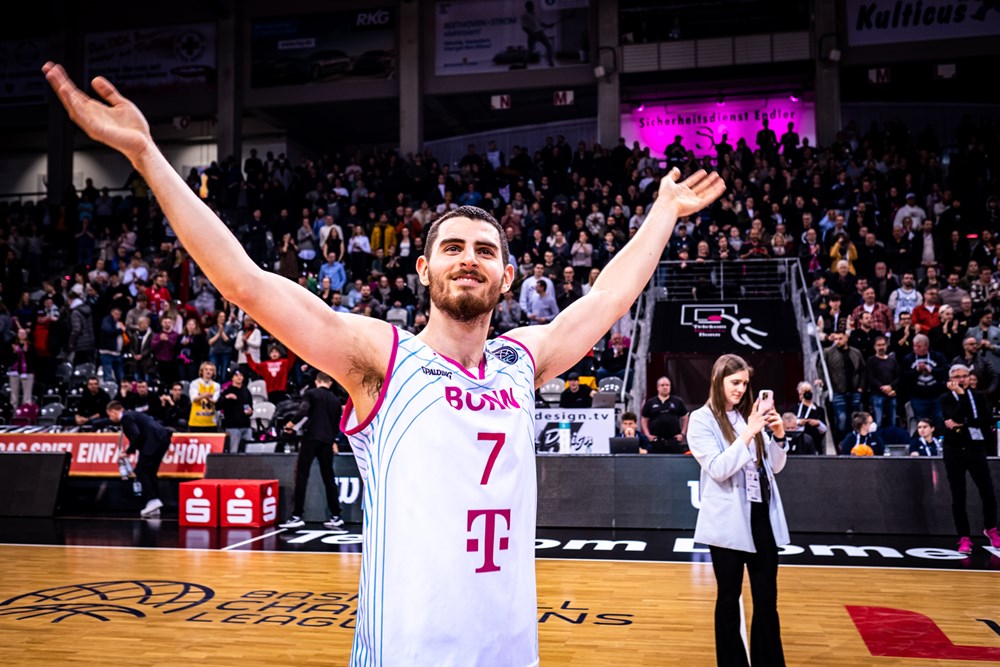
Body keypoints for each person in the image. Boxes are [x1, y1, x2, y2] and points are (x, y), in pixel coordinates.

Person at [43, 61, 725, 665]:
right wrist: (147, 155)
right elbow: (245, 282)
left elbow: (606, 297)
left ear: (507, 277)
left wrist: (664, 211)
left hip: (511, 650)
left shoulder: (523, 359)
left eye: (485, 251)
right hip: (404, 652)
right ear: (423, 270)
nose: (468, 259)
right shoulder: (383, 357)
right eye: (452, 247)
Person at [687, 354, 789, 667]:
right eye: (735, 382)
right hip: (727, 522)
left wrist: (779, 435)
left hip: (761, 516)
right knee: (729, 599)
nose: (741, 389)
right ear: (718, 380)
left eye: (745, 383)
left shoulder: (748, 416)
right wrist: (749, 433)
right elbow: (718, 469)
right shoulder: (701, 420)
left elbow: (773, 466)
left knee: (767, 600)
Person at [939, 364, 1000, 554]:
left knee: (987, 491)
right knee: (959, 495)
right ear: (950, 379)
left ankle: (991, 528)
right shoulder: (946, 398)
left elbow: (985, 420)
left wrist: (963, 424)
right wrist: (962, 399)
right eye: (957, 376)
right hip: (954, 449)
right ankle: (964, 537)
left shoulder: (979, 396)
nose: (962, 379)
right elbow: (953, 418)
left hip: (976, 447)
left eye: (965, 376)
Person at [278, 372, 345, 530]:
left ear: (317, 381)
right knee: (329, 478)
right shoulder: (336, 400)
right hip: (327, 441)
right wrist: (333, 440)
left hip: (311, 438)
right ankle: (336, 516)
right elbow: (337, 424)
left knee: (301, 476)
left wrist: (290, 424)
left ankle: (297, 516)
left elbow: (303, 411)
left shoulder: (311, 394)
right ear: (330, 383)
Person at [108, 400, 174, 518]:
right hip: (162, 439)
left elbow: (136, 434)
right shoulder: (132, 414)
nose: (110, 418)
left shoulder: (126, 418)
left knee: (140, 470)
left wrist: (127, 452)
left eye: (109, 415)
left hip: (153, 442)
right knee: (150, 471)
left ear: (113, 411)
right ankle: (154, 504)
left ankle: (153, 500)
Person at [641, 376, 688, 444]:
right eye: (662, 385)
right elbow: (644, 419)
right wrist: (647, 435)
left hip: (674, 440)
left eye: (667, 385)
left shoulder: (678, 401)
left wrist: (682, 434)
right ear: (658, 387)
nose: (665, 387)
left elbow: (685, 417)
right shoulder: (650, 403)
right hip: (656, 441)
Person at [218, 368, 254, 453]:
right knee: (233, 451)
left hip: (246, 426)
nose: (239, 377)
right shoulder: (227, 391)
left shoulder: (246, 391)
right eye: (236, 375)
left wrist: (250, 411)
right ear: (232, 378)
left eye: (241, 375)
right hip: (232, 427)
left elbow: (250, 407)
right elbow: (218, 406)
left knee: (249, 452)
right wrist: (226, 397)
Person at [188, 361, 220, 432]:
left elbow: (215, 400)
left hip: (211, 422)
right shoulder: (194, 383)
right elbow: (194, 399)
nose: (208, 372)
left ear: (213, 372)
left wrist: (204, 396)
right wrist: (205, 395)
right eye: (206, 369)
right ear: (202, 371)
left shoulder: (216, 385)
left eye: (211, 370)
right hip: (196, 422)